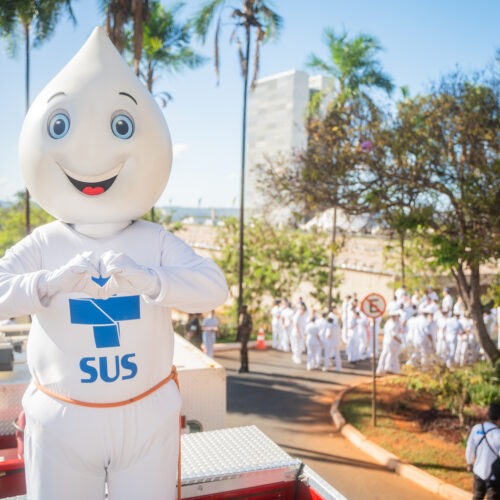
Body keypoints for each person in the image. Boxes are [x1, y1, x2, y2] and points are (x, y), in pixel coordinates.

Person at [0, 28, 228, 500]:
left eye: (121, 127)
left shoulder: (155, 240)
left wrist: (153, 281)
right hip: (62, 418)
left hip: (147, 417)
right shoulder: (44, 242)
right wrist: (45, 284)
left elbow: (213, 287)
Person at [465, 403, 500, 499]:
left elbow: (469, 448)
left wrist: (469, 463)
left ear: (487, 415)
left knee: (477, 495)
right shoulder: (498, 434)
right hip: (494, 477)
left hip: (478, 472)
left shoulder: (477, 429)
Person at [237, 305, 253, 373]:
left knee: (244, 351)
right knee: (242, 351)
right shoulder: (241, 316)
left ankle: (244, 366)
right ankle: (243, 366)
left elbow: (250, 327)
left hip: (245, 336)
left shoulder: (248, 316)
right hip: (242, 336)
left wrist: (242, 327)